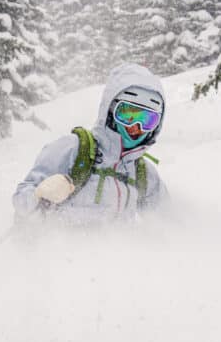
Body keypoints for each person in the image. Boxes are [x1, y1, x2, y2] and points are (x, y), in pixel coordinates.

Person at [13, 63, 167, 223]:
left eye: (148, 120)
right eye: (128, 114)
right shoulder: (74, 149)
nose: (136, 126)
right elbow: (21, 203)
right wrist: (38, 194)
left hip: (119, 248)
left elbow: (169, 224)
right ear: (110, 110)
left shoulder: (144, 174)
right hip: (58, 246)